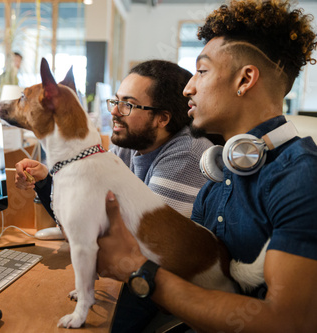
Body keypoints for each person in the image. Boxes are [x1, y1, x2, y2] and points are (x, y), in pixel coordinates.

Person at [97, 1, 317, 332]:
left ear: (245, 80)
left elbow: (288, 321)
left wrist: (137, 270)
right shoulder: (217, 176)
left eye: (201, 71)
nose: (188, 88)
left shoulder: (301, 177)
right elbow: (190, 279)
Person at [16, 60, 212, 217]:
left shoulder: (186, 155)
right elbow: (84, 212)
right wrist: (46, 181)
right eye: (116, 100)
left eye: (128, 104)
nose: (114, 111)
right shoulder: (129, 145)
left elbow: (141, 240)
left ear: (162, 118)